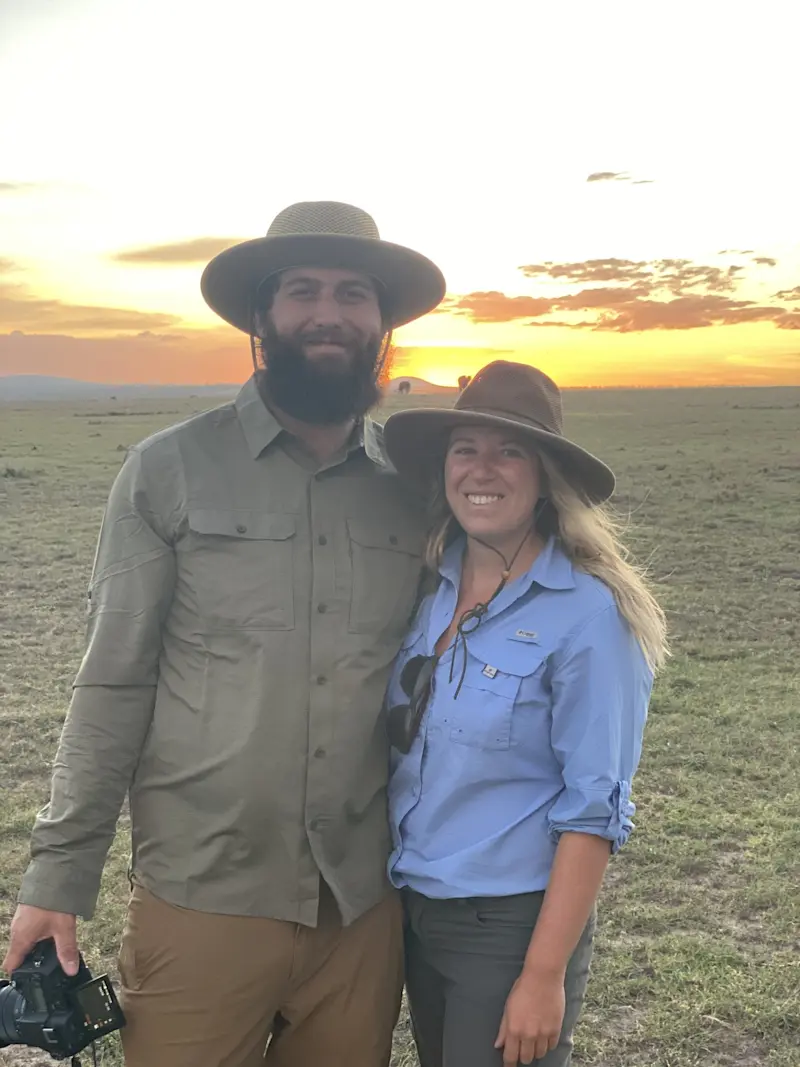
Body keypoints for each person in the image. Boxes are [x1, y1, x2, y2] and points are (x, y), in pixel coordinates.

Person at [1, 201, 446, 1067]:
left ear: (383, 324)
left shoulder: (415, 486)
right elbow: (113, 681)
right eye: (303, 290)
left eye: (354, 293)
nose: (329, 313)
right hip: (202, 898)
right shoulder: (168, 470)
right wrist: (58, 877)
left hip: (361, 907)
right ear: (261, 317)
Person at [380, 361, 669, 1067]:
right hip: (415, 909)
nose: (482, 469)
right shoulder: (428, 586)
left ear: (545, 476)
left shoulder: (590, 617)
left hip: (508, 927)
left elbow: (595, 810)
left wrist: (542, 976)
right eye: (465, 448)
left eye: (509, 450)